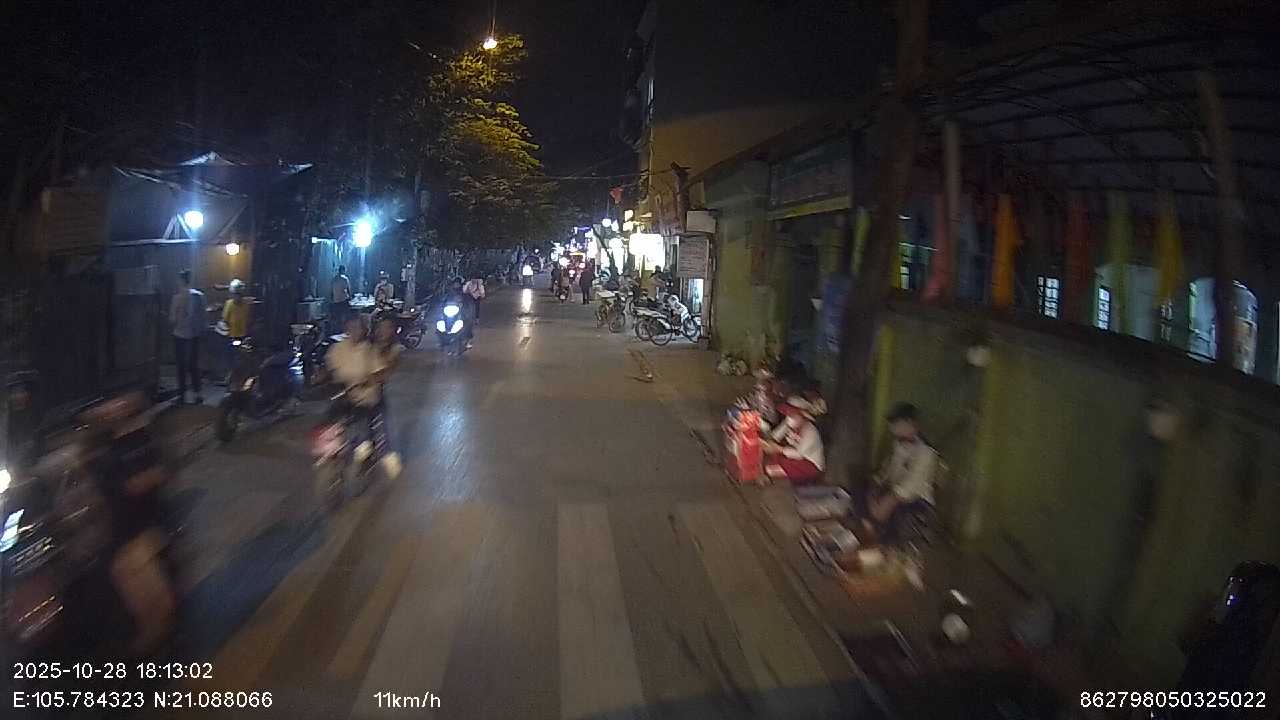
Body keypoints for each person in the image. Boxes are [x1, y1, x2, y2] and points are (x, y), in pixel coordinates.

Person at [80, 391, 178, 656]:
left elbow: (161, 470)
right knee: (153, 606)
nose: (115, 408)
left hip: (144, 530)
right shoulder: (101, 450)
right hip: (125, 535)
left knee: (159, 605)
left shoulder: (140, 438)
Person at [860, 402, 939, 540]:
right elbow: (887, 470)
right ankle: (869, 529)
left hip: (916, 500)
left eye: (896, 423)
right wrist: (875, 485)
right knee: (862, 490)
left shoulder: (926, 452)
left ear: (910, 423)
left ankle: (882, 539)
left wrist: (887, 502)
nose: (892, 428)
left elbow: (910, 486)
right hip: (894, 491)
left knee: (892, 513)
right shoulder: (898, 444)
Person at [759, 396, 825, 484]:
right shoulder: (788, 422)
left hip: (810, 463)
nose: (789, 416)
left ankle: (772, 472)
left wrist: (779, 449)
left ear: (803, 416)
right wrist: (766, 443)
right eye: (788, 413)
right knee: (775, 455)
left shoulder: (811, 432)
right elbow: (775, 436)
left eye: (793, 414)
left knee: (775, 465)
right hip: (793, 456)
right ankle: (772, 470)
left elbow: (799, 454)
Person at [371, 318, 404, 479]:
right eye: (381, 327)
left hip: (382, 392)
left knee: (387, 423)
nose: (383, 331)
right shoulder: (368, 346)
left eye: (387, 328)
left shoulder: (395, 349)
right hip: (363, 392)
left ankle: (390, 453)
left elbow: (388, 369)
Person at [168, 269, 205, 404]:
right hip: (194, 334)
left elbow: (172, 319)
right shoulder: (199, 296)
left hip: (180, 334)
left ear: (181, 280)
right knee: (193, 364)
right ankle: (197, 393)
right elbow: (203, 316)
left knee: (181, 365)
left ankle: (181, 395)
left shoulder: (177, 298)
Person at [330, 265, 353, 329]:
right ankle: (345, 328)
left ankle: (338, 328)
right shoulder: (345, 279)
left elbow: (331, 291)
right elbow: (348, 290)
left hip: (336, 300)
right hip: (343, 300)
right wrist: (350, 297)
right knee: (346, 315)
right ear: (343, 270)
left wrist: (332, 299)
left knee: (338, 317)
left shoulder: (334, 279)